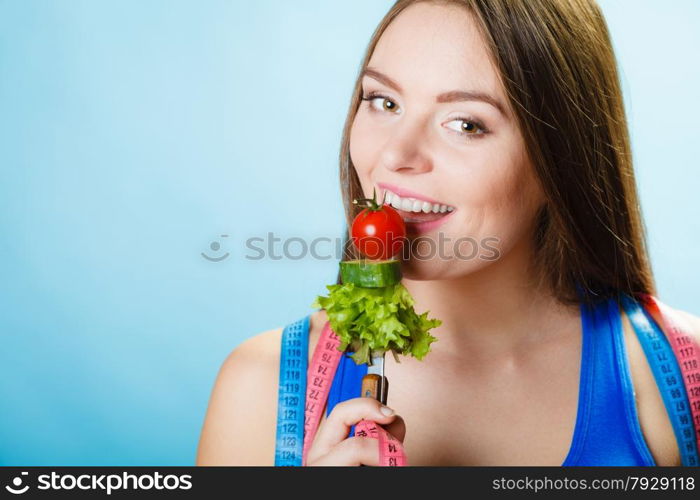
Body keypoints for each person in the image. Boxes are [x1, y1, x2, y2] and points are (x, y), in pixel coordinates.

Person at [195, 0, 700, 466]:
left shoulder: (678, 378)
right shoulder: (259, 391)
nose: (395, 156)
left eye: (465, 124)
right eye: (383, 101)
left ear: (561, 160)